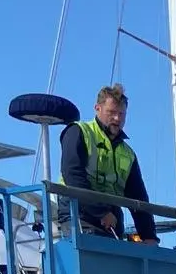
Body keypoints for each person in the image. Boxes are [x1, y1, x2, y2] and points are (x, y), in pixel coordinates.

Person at [60, 82, 158, 242]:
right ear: (97, 108)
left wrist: (149, 236)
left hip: (112, 220)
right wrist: (101, 213)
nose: (117, 118)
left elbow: (138, 197)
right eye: (111, 112)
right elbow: (73, 177)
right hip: (79, 213)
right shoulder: (78, 132)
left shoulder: (127, 153)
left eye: (122, 114)